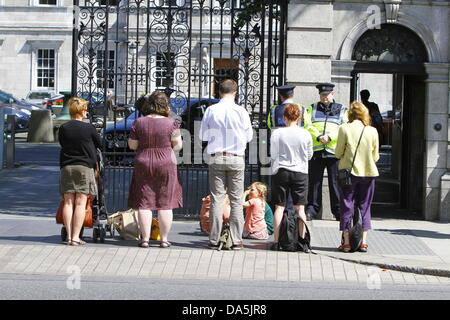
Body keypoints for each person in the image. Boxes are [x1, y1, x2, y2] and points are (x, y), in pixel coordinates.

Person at [199, 79, 253, 250]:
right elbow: (249, 136)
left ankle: (214, 239)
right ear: (235, 92)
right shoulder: (241, 111)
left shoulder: (211, 110)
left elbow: (203, 136)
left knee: (217, 199)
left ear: (219, 92)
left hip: (216, 156)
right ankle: (236, 240)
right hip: (236, 157)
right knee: (237, 200)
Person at [127, 91, 183, 248]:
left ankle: (145, 239)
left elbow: (132, 145)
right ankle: (163, 239)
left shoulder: (139, 122)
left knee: (144, 202)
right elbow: (178, 145)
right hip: (166, 161)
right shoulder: (171, 122)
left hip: (143, 161)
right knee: (165, 202)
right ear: (165, 105)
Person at [335, 101, 379, 253]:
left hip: (349, 173)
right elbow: (376, 156)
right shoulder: (372, 131)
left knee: (347, 205)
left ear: (350, 114)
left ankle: (346, 242)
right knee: (365, 206)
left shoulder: (344, 129)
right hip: (368, 173)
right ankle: (364, 242)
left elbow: (338, 153)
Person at [58, 97, 102, 246]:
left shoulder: (64, 128)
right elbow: (99, 144)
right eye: (85, 109)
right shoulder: (88, 128)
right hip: (84, 167)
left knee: (68, 202)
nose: (86, 112)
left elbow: (62, 143)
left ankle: (69, 236)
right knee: (80, 203)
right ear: (81, 110)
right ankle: (76, 236)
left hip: (67, 166)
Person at [270, 104, 313, 249]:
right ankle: (302, 241)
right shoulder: (305, 134)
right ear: (299, 117)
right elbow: (309, 155)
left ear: (284, 117)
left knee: (279, 207)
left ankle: (276, 241)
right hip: (300, 171)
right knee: (300, 208)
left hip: (281, 170)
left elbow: (273, 153)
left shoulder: (277, 133)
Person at [304, 83, 348, 221]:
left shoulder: (341, 109)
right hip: (317, 151)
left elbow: (344, 126)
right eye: (322, 95)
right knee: (314, 182)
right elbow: (307, 124)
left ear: (332, 94)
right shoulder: (312, 108)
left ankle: (338, 211)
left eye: (327, 95)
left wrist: (330, 137)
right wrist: (318, 136)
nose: (324, 97)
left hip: (334, 151)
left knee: (335, 183)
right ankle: (312, 209)